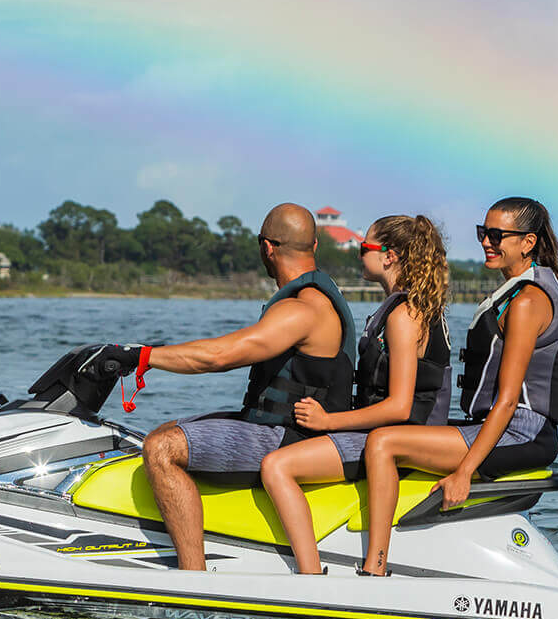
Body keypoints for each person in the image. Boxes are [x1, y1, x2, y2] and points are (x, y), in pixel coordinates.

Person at [72, 203, 356, 571]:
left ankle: (194, 578)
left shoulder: (304, 308)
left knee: (162, 448)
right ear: (315, 244)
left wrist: (143, 357)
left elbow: (219, 357)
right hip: (279, 427)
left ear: (266, 247)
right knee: (166, 430)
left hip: (294, 438)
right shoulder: (313, 298)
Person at [356, 196, 558, 577]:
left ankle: (374, 570)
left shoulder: (527, 301)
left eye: (497, 235)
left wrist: (464, 472)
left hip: (521, 432)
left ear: (528, 242)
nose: (487, 242)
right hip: (501, 425)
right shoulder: (522, 291)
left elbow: (507, 401)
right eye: (482, 233)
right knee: (404, 433)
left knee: (384, 442)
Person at [258, 215, 451, 575]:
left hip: (398, 436)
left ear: (389, 256)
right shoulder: (398, 308)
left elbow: (399, 405)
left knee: (277, 466)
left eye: (365, 248)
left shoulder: (404, 315)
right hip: (373, 431)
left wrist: (329, 420)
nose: (359, 255)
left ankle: (313, 576)